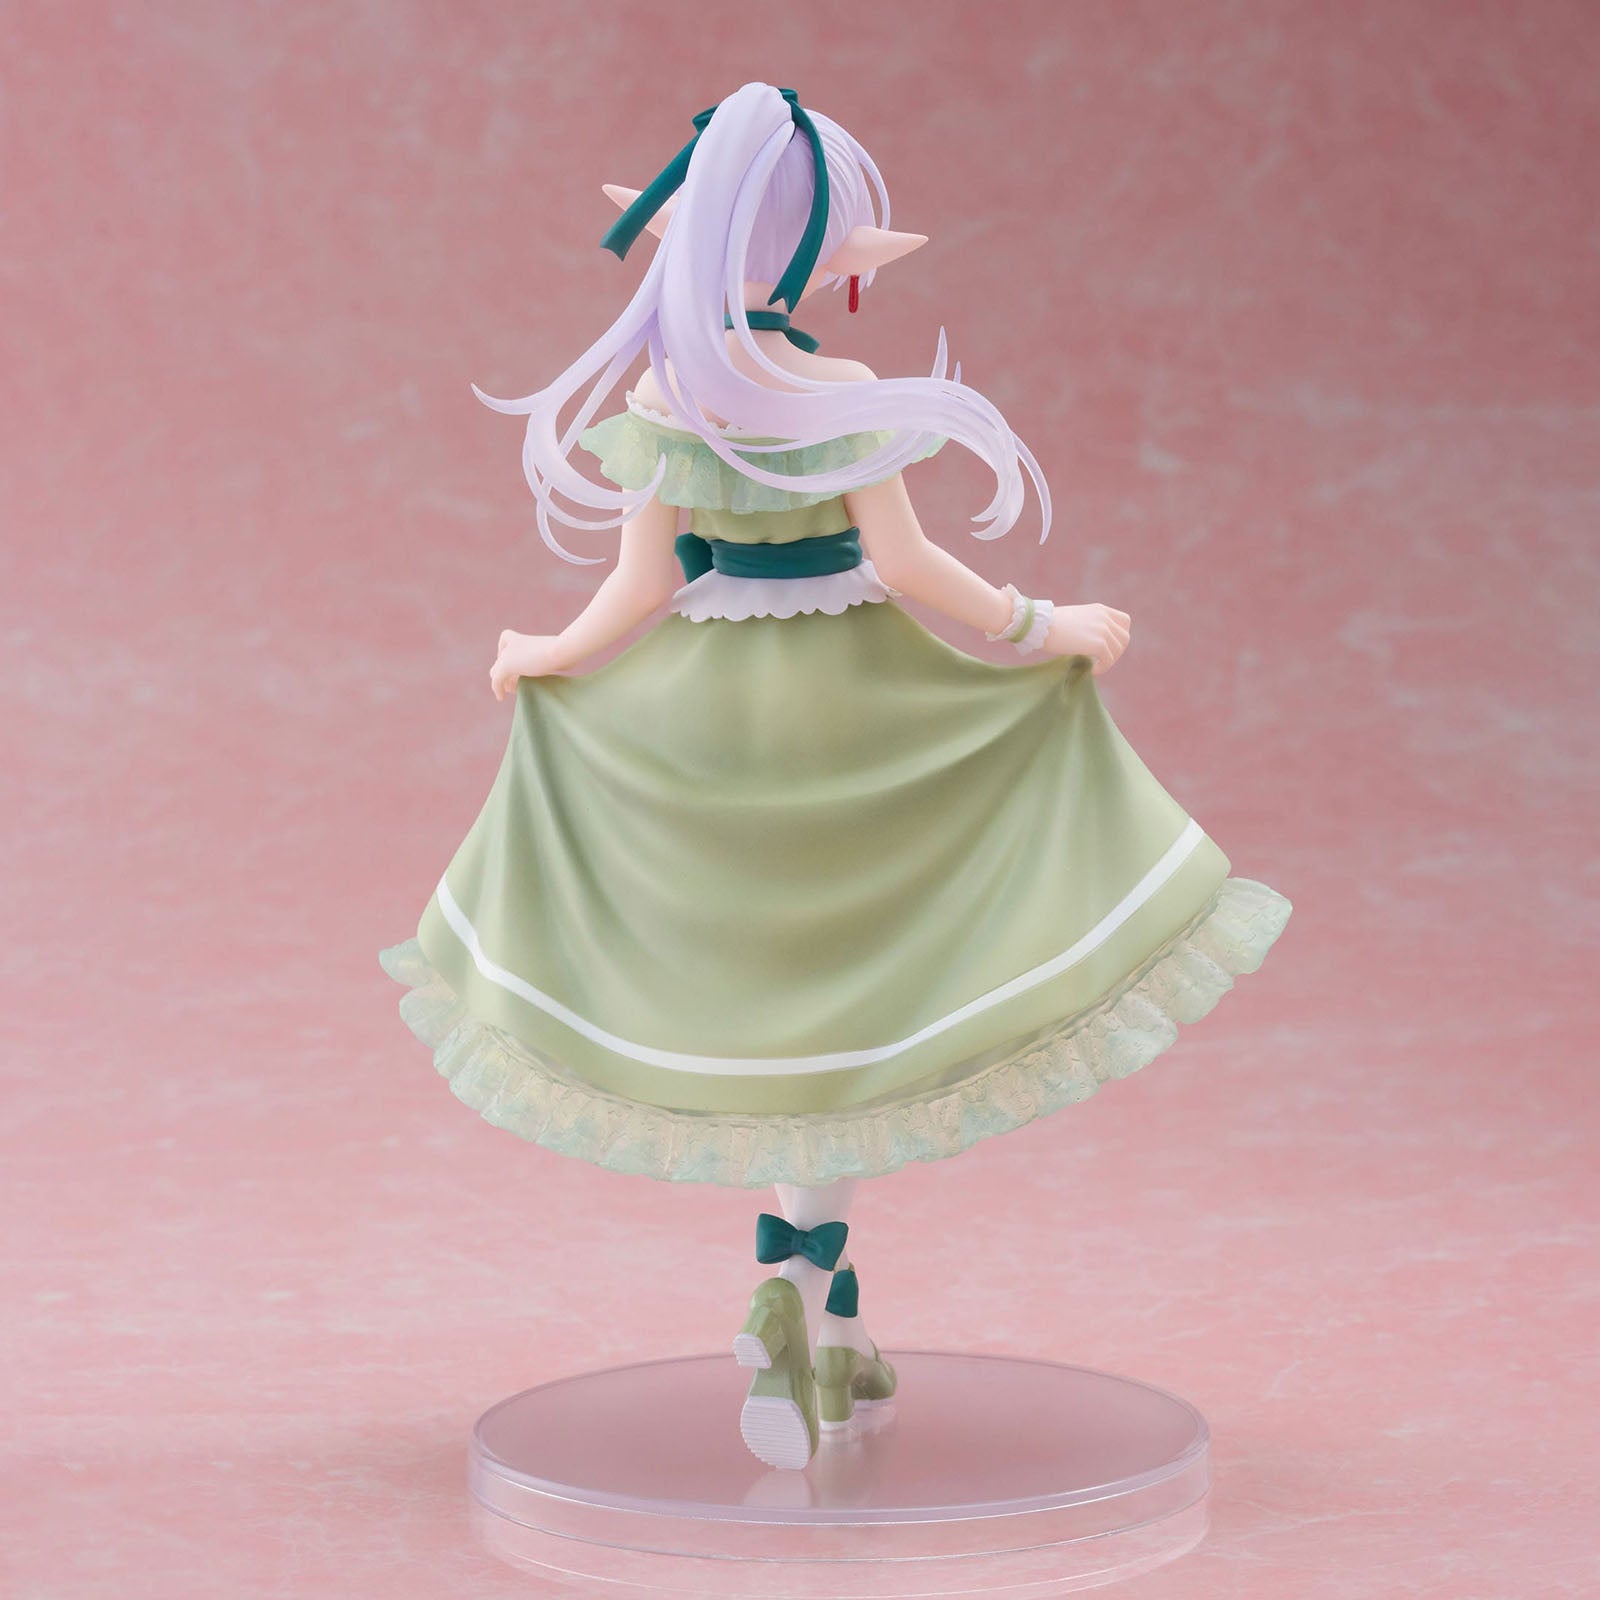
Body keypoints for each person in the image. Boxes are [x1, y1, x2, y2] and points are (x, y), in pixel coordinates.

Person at [381, 81, 1291, 1471]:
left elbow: (638, 585)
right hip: (856, 707)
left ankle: (813, 1305)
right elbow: (910, 565)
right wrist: (1042, 625)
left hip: (705, 722)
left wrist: (548, 653)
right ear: (820, 256)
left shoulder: (669, 391)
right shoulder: (842, 390)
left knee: (771, 1015)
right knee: (862, 1011)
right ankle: (801, 1293)